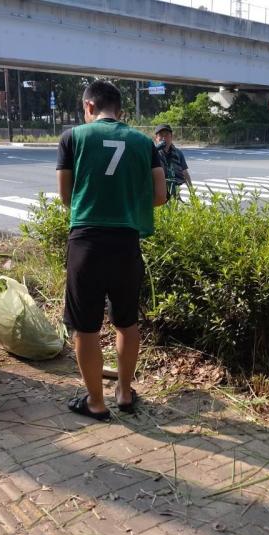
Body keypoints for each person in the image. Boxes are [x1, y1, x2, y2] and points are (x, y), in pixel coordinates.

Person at [56, 80, 167, 420]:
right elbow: (160, 196)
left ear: (89, 107)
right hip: (126, 243)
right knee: (126, 321)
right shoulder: (143, 142)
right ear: (120, 111)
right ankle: (123, 391)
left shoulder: (72, 138)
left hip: (87, 241)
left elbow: (65, 197)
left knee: (86, 327)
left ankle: (95, 401)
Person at [154, 124, 192, 201]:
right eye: (161, 135)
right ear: (156, 138)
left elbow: (185, 172)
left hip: (174, 192)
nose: (164, 138)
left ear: (171, 137)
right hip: (158, 192)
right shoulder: (152, 153)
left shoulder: (178, 153)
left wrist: (192, 191)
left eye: (167, 135)